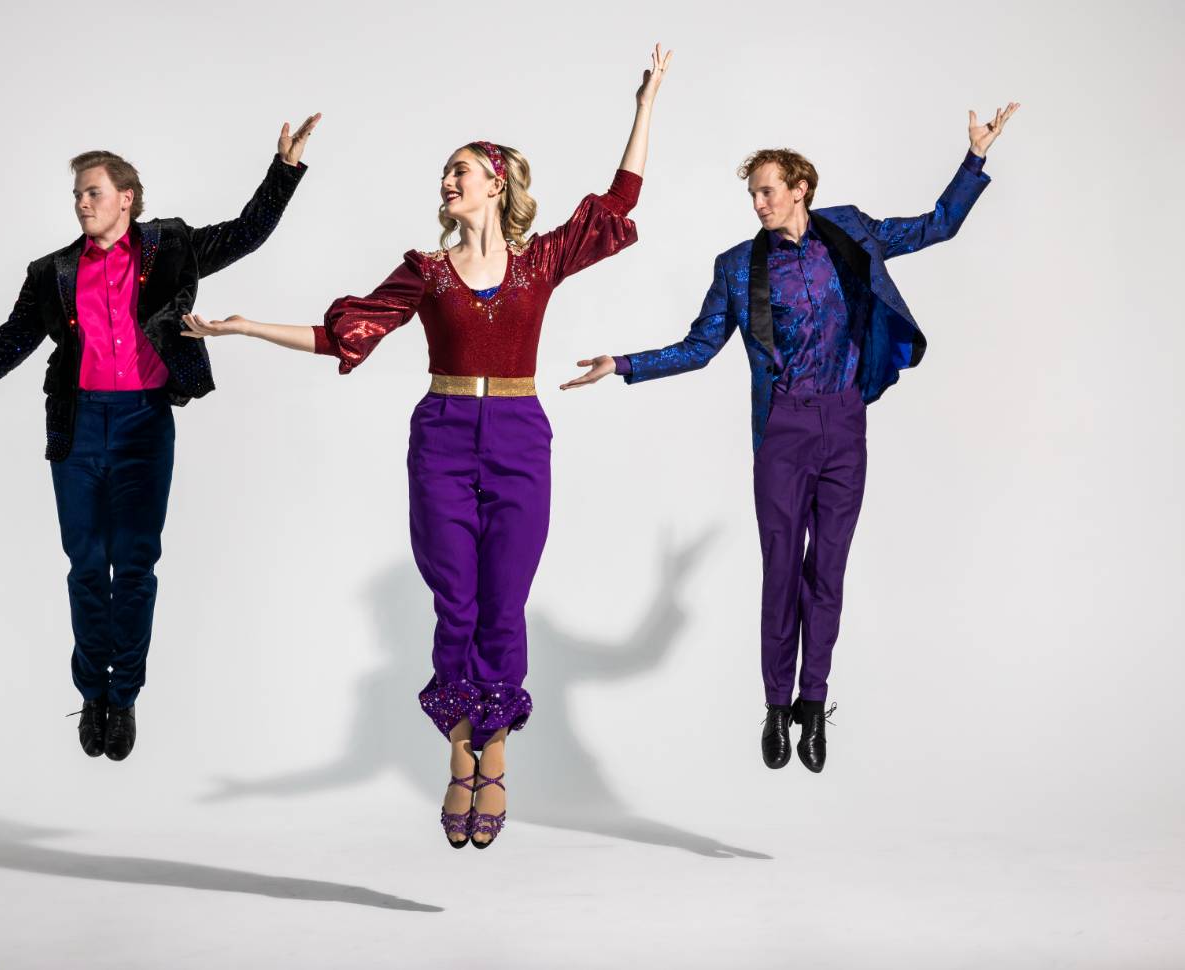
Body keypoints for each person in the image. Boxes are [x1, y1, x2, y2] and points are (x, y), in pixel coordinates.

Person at [180, 46, 671, 847]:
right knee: (457, 605)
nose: (447, 181)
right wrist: (246, 328)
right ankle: (459, 755)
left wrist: (645, 105)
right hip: (441, 438)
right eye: (444, 172)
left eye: (460, 170)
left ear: (496, 183)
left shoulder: (541, 260)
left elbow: (619, 202)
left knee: (503, 603)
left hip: (519, 436)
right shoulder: (425, 271)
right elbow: (344, 335)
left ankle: (495, 753)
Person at [564, 103, 1020, 773]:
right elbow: (699, 347)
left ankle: (814, 702)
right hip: (783, 429)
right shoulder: (736, 267)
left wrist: (975, 156)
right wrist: (624, 364)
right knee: (781, 570)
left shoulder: (851, 231)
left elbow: (937, 226)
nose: (758, 203)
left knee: (826, 573)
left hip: (845, 421)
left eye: (768, 191)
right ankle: (777, 704)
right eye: (752, 194)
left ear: (801, 188)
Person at [0, 116, 319, 761]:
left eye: (93, 192)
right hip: (79, 425)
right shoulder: (51, 272)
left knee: (135, 565)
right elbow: (9, 347)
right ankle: (93, 694)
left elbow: (248, 232)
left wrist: (283, 169)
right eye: (77, 195)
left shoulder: (171, 245)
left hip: (145, 422)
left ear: (126, 198)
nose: (83, 203)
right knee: (87, 565)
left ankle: (126, 694)